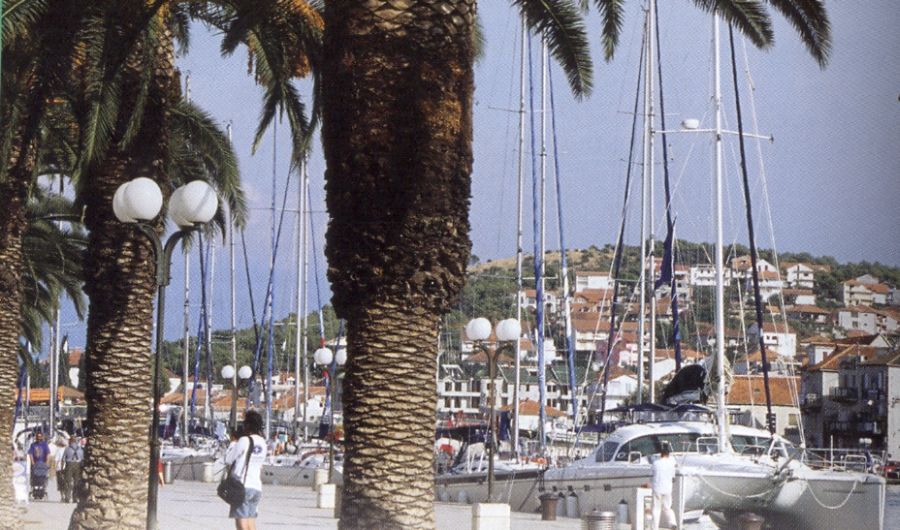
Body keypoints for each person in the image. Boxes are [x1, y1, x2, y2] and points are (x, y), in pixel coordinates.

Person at [224, 410, 267, 530]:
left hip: (242, 485)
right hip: (256, 486)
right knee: (251, 520)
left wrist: (233, 444)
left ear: (247, 425)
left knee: (241, 521)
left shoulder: (244, 440)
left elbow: (229, 459)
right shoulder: (263, 443)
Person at [651, 443, 678, 530]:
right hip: (667, 489)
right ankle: (672, 523)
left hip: (657, 488)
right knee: (667, 507)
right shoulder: (671, 464)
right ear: (668, 454)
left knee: (656, 508)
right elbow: (673, 478)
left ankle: (655, 527)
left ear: (661, 454)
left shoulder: (656, 463)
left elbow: (652, 475)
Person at [62, 436, 84, 503]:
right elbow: (82, 459)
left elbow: (63, 459)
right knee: (76, 482)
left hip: (69, 465)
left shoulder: (67, 449)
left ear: (70, 441)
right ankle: (75, 498)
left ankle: (67, 497)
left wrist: (62, 468)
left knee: (67, 481)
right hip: (78, 465)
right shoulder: (80, 449)